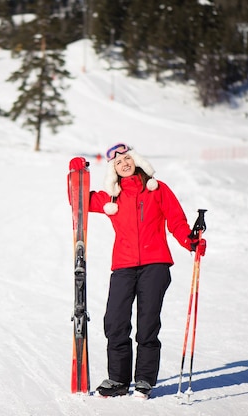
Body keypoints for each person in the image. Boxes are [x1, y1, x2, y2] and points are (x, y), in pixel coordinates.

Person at [68, 143, 206, 399]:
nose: (125, 164)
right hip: (123, 265)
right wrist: (76, 175)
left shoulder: (158, 189)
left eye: (128, 158)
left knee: (147, 324)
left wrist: (191, 241)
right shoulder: (112, 196)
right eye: (119, 163)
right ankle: (118, 380)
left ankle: (143, 379)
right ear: (114, 170)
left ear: (137, 160)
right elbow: (78, 200)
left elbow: (176, 220)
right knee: (115, 322)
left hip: (155, 264)